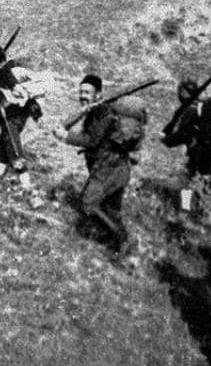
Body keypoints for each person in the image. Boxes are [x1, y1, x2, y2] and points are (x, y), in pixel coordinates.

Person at [51, 75, 144, 256]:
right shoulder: (96, 111)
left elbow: (92, 140)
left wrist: (66, 137)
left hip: (108, 169)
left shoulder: (102, 112)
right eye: (80, 91)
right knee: (111, 210)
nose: (82, 95)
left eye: (87, 92)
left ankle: (123, 240)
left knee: (88, 205)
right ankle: (124, 249)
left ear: (99, 94)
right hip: (117, 168)